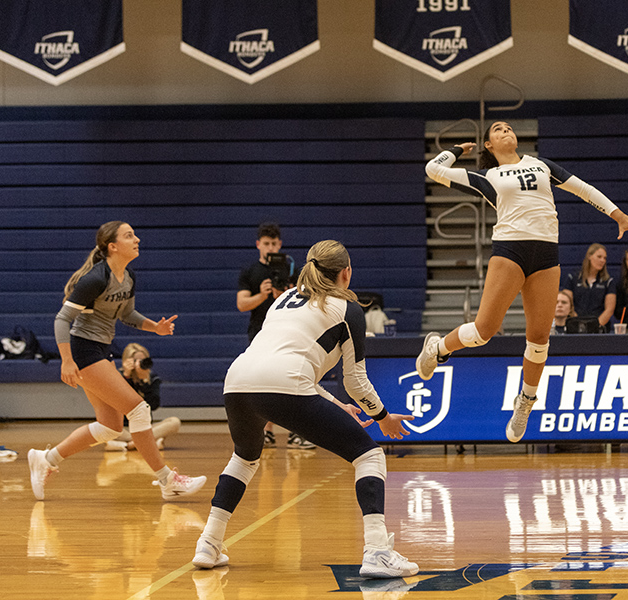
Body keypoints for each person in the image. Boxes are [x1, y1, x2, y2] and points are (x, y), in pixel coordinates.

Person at [192, 240, 418, 579]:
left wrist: (334, 404)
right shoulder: (348, 309)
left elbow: (286, 366)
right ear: (347, 272)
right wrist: (382, 417)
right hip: (284, 384)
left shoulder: (282, 299)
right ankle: (377, 551)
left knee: (244, 458)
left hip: (237, 381)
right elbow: (354, 382)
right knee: (369, 457)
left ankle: (208, 543)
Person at [416, 121, 628, 443]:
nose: (505, 130)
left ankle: (525, 402)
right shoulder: (486, 176)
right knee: (484, 331)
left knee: (540, 339)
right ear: (489, 145)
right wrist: (456, 150)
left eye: (508, 127)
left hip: (546, 253)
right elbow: (434, 169)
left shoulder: (540, 165)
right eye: (497, 130)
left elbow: (582, 188)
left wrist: (617, 214)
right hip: (510, 249)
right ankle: (437, 348)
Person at [28, 221, 206, 501]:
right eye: (129, 236)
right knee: (138, 409)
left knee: (110, 426)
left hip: (101, 350)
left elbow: (127, 314)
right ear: (112, 246)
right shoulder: (96, 279)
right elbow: (62, 319)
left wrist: (154, 327)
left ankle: (46, 459)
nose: (137, 239)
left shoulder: (128, 276)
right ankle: (167, 480)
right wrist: (66, 361)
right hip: (83, 350)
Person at [236, 222, 314, 450]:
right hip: (260, 333)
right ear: (258, 244)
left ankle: (296, 432)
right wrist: (262, 295)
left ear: (280, 244)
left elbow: (307, 302)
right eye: (266, 244)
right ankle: (266, 432)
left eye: (274, 244)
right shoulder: (250, 272)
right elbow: (242, 304)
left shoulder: (293, 270)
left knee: (292, 380)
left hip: (290, 333)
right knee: (263, 383)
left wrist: (286, 293)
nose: (270, 248)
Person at [104, 342, 182, 451]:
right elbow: (119, 404)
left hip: (145, 428)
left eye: (143, 360)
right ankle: (149, 442)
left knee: (174, 422)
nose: (139, 364)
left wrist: (145, 383)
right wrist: (126, 377)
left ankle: (127, 445)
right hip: (123, 428)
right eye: (136, 360)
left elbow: (154, 405)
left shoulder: (153, 378)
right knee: (103, 426)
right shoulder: (118, 377)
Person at [562, 243, 616, 332]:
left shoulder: (608, 282)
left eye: (605, 258)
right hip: (575, 328)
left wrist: (594, 327)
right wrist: (579, 325)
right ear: (589, 256)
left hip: (599, 329)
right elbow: (567, 305)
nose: (602, 260)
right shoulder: (572, 278)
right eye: (599, 257)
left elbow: (609, 310)